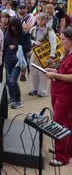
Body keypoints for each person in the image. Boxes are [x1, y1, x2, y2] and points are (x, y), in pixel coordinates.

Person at [45, 26, 72, 167]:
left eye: (63, 39)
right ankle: (65, 150)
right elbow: (64, 70)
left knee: (60, 123)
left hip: (65, 95)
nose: (61, 42)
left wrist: (56, 75)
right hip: (59, 92)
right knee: (65, 123)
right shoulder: (68, 53)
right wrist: (54, 70)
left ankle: (62, 156)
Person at [3, 17, 31, 109]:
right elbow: (4, 45)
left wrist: (15, 47)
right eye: (11, 26)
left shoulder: (24, 34)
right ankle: (12, 98)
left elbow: (28, 47)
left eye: (15, 26)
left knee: (13, 80)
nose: (13, 28)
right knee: (8, 80)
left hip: (18, 61)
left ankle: (18, 100)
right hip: (8, 60)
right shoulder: (7, 33)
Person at [30, 13, 56, 97]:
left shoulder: (50, 30)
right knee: (33, 71)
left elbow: (53, 43)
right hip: (34, 53)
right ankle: (35, 89)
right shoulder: (33, 29)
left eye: (42, 19)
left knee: (43, 72)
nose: (40, 21)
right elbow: (28, 39)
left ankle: (43, 91)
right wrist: (34, 42)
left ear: (46, 20)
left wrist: (52, 56)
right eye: (38, 19)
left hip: (45, 54)